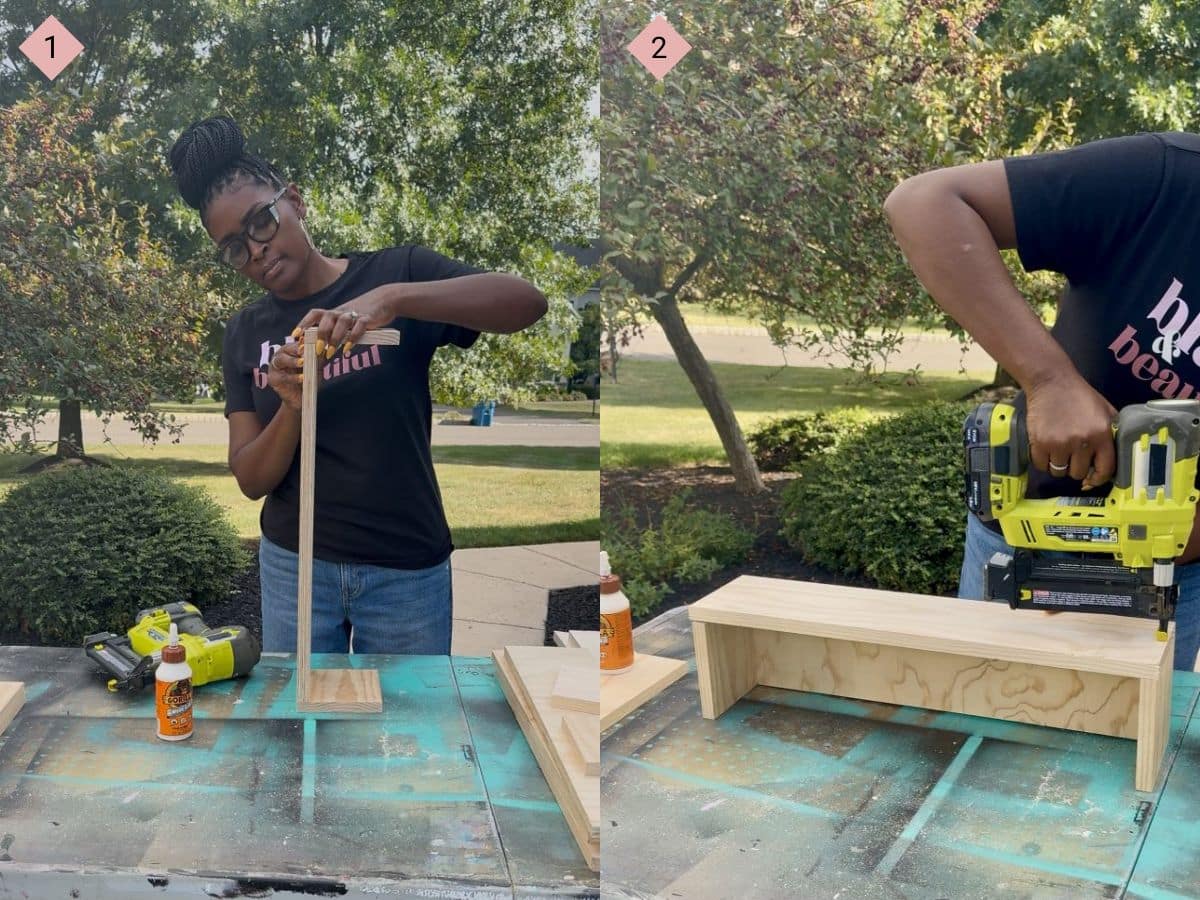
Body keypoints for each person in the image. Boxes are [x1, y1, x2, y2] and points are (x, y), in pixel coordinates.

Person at [167, 115, 548, 655]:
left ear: (294, 201)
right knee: (303, 711)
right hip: (295, 565)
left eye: (261, 223)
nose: (255, 251)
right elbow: (251, 479)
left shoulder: (397, 272)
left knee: (408, 711)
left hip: (404, 571)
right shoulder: (246, 332)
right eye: (233, 247)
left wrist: (391, 300)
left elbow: (526, 302)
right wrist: (293, 404)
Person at [884, 132, 1200, 671]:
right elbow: (924, 204)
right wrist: (1051, 380)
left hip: (1176, 573)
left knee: (1147, 719)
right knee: (985, 704)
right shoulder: (1167, 178)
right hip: (1023, 539)